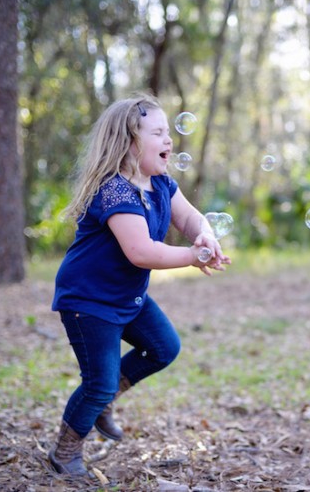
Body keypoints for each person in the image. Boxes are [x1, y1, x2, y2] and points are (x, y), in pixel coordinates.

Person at [48, 93, 230, 477]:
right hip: (89, 299)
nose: (169, 141)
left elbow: (191, 219)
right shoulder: (115, 190)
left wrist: (206, 237)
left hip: (125, 295)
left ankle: (105, 399)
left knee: (164, 347)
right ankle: (65, 451)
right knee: (98, 381)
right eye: (158, 133)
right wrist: (194, 257)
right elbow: (141, 252)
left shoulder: (161, 183)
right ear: (130, 142)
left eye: (169, 133)